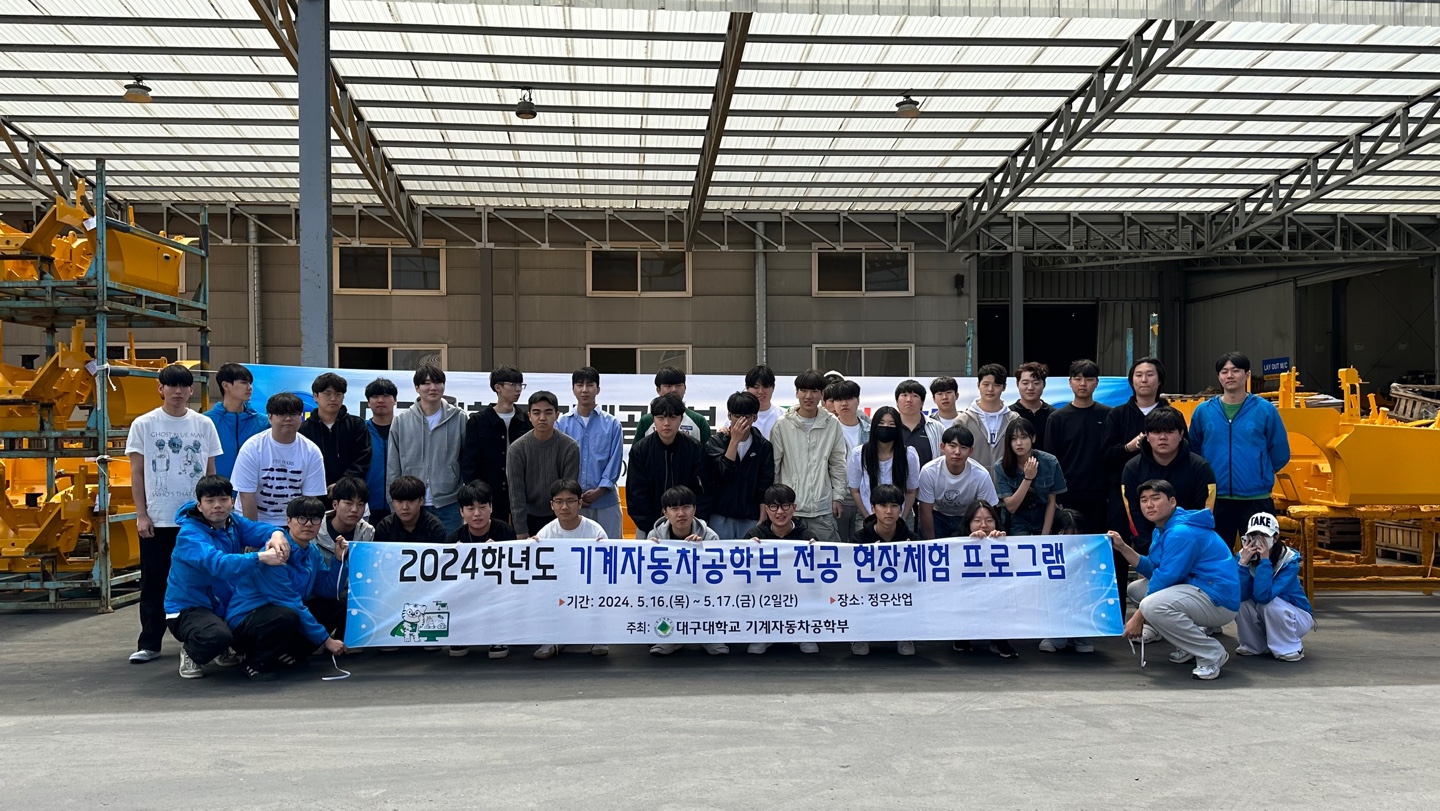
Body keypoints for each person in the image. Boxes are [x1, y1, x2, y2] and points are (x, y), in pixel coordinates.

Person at [125, 364, 224, 665]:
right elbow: (137, 473)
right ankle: (150, 643)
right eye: (171, 386)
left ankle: (211, 639)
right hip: (159, 519)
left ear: (192, 390)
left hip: (196, 521)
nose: (178, 392)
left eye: (183, 386)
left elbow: (210, 473)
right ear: (161, 389)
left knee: (207, 579)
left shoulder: (204, 424)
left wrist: (214, 514)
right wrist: (142, 515)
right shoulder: (144, 424)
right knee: (154, 582)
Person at [1109, 480, 1240, 681]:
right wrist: (1122, 547)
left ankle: (1211, 653)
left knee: (1152, 605)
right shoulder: (1163, 528)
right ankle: (1187, 645)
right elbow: (1154, 569)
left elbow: (1166, 577)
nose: (1149, 505)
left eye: (1155, 498)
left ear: (1172, 502)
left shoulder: (1181, 532)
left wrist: (1138, 618)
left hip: (1218, 599)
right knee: (1136, 590)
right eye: (1144, 500)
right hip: (1198, 589)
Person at [165, 474, 289, 679]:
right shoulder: (189, 535)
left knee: (277, 617)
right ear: (199, 505)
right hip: (188, 608)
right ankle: (192, 651)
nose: (217, 505)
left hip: (225, 605)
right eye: (210, 501)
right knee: (216, 636)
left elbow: (259, 529)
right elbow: (218, 564)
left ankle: (224, 645)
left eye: (223, 499)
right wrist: (260, 557)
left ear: (232, 502)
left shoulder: (233, 523)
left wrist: (276, 534)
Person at [225, 496, 348, 682]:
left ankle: (289, 654)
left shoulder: (312, 552)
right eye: (302, 518)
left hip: (282, 612)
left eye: (315, 519)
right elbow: (289, 601)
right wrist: (327, 640)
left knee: (337, 604)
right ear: (288, 521)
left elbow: (329, 591)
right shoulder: (274, 553)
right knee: (287, 615)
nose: (308, 524)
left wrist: (339, 560)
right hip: (247, 621)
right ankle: (255, 663)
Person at [1188, 352, 1292, 546]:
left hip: (1256, 498)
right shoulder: (1203, 411)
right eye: (1224, 371)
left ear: (1247, 375)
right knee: (1216, 555)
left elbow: (1280, 451)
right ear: (1219, 377)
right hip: (1215, 498)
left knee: (1259, 553)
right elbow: (1194, 450)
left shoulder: (1265, 410)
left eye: (1236, 370)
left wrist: (1260, 472)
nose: (1230, 375)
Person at [645, 486, 729, 657]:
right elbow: (647, 576)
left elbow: (718, 577)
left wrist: (701, 551)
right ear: (665, 512)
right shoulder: (654, 536)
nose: (681, 513)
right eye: (674, 508)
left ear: (694, 510)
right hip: (669, 590)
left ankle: (709, 636)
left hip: (701, 589)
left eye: (686, 507)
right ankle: (669, 637)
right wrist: (649, 551)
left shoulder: (710, 536)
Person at [533, 479, 609, 660]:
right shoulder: (545, 533)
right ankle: (551, 639)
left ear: (580, 503)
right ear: (552, 505)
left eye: (570, 501)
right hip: (558, 587)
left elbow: (606, 569)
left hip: (588, 586)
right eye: (559, 502)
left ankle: (599, 637)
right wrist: (531, 547)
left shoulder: (595, 531)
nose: (565, 507)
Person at [1121, 406, 1216, 551]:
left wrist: (1186, 545)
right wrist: (1149, 548)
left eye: (1169, 432)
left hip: (1192, 545)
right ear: (1146, 435)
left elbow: (1204, 514)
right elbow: (1133, 514)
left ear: (1181, 433)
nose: (1162, 438)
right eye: (1156, 432)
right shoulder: (1132, 468)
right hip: (1147, 548)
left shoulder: (1200, 468)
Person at [387, 364, 468, 533]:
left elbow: (467, 459)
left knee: (449, 548)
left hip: (449, 503)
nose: (433, 387)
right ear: (417, 388)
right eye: (426, 383)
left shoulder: (459, 418)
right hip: (411, 503)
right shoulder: (401, 421)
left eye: (438, 382)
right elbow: (393, 465)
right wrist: (394, 502)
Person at [771, 370, 848, 543]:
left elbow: (838, 463)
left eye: (814, 391)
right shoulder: (782, 425)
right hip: (789, 510)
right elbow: (774, 466)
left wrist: (838, 497)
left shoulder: (832, 423)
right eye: (803, 390)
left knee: (827, 555)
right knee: (790, 557)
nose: (808, 396)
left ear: (822, 394)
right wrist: (777, 503)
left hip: (822, 509)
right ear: (796, 392)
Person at [231, 392, 327, 527]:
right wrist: (253, 533)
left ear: (300, 417)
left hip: (293, 523)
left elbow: (309, 500)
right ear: (270, 417)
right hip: (254, 521)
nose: (288, 419)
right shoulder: (252, 448)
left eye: (293, 414)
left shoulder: (312, 452)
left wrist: (299, 530)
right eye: (282, 414)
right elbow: (246, 496)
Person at [744, 484, 817, 656]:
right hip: (765, 593)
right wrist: (747, 550)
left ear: (794, 507)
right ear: (767, 510)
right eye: (773, 507)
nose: (779, 512)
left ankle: (804, 632)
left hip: (797, 593)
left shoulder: (806, 536)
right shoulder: (755, 535)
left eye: (785, 506)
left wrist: (817, 551)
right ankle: (762, 633)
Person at [449, 480, 518, 659]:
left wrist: (500, 554)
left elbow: (517, 570)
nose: (477, 514)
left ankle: (500, 637)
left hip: (498, 591)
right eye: (470, 509)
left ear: (491, 507)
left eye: (482, 507)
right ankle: (460, 635)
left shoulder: (505, 532)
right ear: (461, 512)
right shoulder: (454, 539)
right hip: (467, 591)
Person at [1102, 357, 1169, 535]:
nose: (1144, 380)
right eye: (1139, 375)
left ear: (1160, 380)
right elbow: (1106, 456)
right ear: (1132, 381)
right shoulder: (1117, 415)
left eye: (1150, 375)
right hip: (1123, 494)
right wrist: (1128, 448)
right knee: (1121, 543)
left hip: (1163, 493)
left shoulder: (1172, 415)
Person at [555, 367, 624, 540]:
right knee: (575, 551)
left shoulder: (612, 424)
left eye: (590, 385)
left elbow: (615, 461)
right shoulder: (561, 424)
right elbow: (558, 462)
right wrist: (574, 494)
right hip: (572, 503)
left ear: (598, 389)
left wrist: (600, 489)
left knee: (611, 549)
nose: (584, 390)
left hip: (606, 501)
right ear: (573, 389)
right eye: (579, 385)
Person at [850, 484, 918, 657]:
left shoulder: (912, 540)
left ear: (901, 509)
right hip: (869, 591)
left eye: (894, 506)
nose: (889, 511)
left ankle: (905, 635)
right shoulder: (859, 539)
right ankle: (861, 635)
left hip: (900, 591)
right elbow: (849, 575)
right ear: (873, 509)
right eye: (883, 505)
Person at [1234, 513, 1312, 661]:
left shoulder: (1288, 561)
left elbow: (1264, 596)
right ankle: (1253, 644)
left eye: (1264, 536)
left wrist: (1264, 561)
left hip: (1296, 616)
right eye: (1254, 535)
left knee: (1269, 604)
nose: (1259, 541)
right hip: (1266, 614)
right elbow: (1240, 594)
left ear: (1276, 538)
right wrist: (1242, 564)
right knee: (1241, 603)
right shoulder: (1243, 556)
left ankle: (1289, 647)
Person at [1047, 360, 1113, 535]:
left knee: (1097, 541)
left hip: (1100, 495)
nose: (1083, 384)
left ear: (1097, 382)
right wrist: (1056, 496)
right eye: (1077, 378)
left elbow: (1112, 455)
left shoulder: (1109, 415)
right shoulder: (1057, 418)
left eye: (1089, 379)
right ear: (1070, 382)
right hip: (1067, 494)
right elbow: (1051, 460)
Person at [627, 393, 705, 539]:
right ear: (653, 419)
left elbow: (703, 491)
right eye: (661, 418)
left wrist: (691, 523)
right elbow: (636, 494)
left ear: (681, 419)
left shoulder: (695, 449)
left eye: (672, 417)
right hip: (650, 529)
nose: (667, 423)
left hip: (689, 529)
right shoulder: (640, 450)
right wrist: (653, 528)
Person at [460, 365, 531, 525]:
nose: (518, 389)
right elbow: (469, 461)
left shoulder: (526, 420)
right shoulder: (478, 421)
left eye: (520, 385)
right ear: (498, 387)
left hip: (521, 491)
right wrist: (476, 493)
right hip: (488, 492)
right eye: (513, 384)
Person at [307, 476, 374, 640]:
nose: (354, 509)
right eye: (349, 503)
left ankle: (348, 637)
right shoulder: (312, 528)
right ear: (335, 504)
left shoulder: (368, 532)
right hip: (317, 592)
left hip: (348, 591)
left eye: (360, 504)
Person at [703, 391, 775, 540]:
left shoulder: (763, 446)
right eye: (737, 416)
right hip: (720, 515)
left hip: (750, 516)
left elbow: (765, 484)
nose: (741, 421)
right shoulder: (716, 442)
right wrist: (734, 441)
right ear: (729, 416)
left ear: (755, 417)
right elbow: (721, 475)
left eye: (747, 417)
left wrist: (762, 518)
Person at [954, 499, 1018, 659]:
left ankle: (999, 639)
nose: (984, 525)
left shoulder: (1003, 540)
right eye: (977, 521)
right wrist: (969, 544)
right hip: (967, 593)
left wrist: (1002, 545)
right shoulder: (956, 541)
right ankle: (962, 636)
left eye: (989, 520)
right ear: (968, 523)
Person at [918, 425, 1000, 540]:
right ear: (942, 447)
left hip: (966, 518)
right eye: (952, 446)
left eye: (963, 447)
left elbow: (987, 510)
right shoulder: (929, 471)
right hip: (938, 516)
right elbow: (925, 511)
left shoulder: (981, 474)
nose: (957, 452)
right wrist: (931, 543)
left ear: (971, 451)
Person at [298, 372, 371, 499]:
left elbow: (363, 457)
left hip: (350, 494)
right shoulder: (303, 429)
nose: (333, 398)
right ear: (315, 396)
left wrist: (341, 484)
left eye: (338, 394)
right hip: (314, 495)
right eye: (327, 394)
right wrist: (320, 485)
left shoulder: (356, 424)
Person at [847, 406, 920, 528]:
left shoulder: (909, 455)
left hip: (902, 517)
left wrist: (902, 519)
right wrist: (869, 518)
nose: (886, 427)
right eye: (881, 423)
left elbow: (911, 491)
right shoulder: (859, 454)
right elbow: (855, 490)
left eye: (891, 424)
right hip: (867, 517)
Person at [1037, 508, 1098, 655]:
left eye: (1075, 535)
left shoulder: (1092, 551)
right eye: (1065, 535)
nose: (1071, 540)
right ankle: (1056, 635)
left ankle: (1081, 635)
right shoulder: (1046, 551)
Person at [994, 418, 1067, 536]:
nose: (1019, 443)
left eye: (1023, 437)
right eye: (1014, 439)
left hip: (1043, 517)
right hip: (1016, 520)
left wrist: (1044, 536)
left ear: (1033, 438)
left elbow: (1051, 502)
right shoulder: (1000, 466)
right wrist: (1027, 478)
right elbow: (1011, 507)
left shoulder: (1050, 462)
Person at [953, 364, 1019, 482]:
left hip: (1007, 488)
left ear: (1004, 387)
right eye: (986, 384)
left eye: (996, 385)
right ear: (978, 385)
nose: (990, 389)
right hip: (972, 486)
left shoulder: (1014, 420)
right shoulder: (963, 421)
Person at [204, 362, 267, 482]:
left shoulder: (264, 423)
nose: (249, 387)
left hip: (253, 491)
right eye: (243, 382)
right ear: (226, 385)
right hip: (218, 491)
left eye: (250, 383)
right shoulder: (206, 422)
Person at [825, 379, 868, 542]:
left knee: (863, 545)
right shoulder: (826, 431)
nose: (844, 403)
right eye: (838, 399)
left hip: (865, 497)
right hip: (837, 498)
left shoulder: (870, 430)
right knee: (839, 545)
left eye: (849, 398)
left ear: (858, 400)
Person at [635, 366, 712, 444]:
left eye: (678, 385)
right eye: (668, 386)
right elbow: (637, 450)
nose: (674, 390)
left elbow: (709, 450)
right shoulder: (646, 421)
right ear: (658, 390)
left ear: (685, 388)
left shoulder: (698, 421)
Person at [373, 475, 448, 544]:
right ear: (393, 502)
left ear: (421, 501)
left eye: (411, 501)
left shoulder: (435, 528)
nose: (405, 507)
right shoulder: (385, 527)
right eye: (400, 501)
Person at [363, 378, 397, 524]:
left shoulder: (405, 428)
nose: (380, 400)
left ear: (395, 400)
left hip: (400, 506)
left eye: (386, 396)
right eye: (375, 396)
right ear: (368, 402)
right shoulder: (360, 430)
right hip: (366, 506)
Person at [893, 379, 943, 468]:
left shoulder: (937, 428)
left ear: (922, 402)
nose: (909, 400)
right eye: (904, 395)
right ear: (897, 402)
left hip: (927, 477)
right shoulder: (890, 426)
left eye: (915, 396)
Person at [1010, 362, 1054, 451]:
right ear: (1017, 384)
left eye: (1036, 383)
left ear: (1044, 384)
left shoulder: (1054, 415)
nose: (1030, 387)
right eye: (1025, 383)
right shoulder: (1009, 414)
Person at [746, 364, 783, 440]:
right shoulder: (739, 416)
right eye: (756, 387)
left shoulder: (783, 416)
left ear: (773, 388)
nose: (761, 391)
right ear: (747, 388)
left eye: (765, 387)